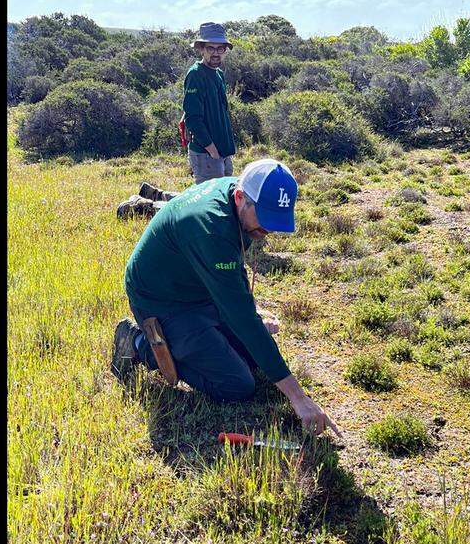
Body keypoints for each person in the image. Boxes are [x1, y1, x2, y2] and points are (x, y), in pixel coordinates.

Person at [111, 159, 343, 438]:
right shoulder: (211, 227)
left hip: (197, 284)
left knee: (254, 361)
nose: (268, 230)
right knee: (237, 385)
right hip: (161, 298)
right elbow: (242, 317)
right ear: (240, 197)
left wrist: (250, 312)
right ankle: (137, 342)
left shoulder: (235, 197)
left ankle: (194, 334)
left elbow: (234, 274)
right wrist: (298, 397)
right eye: (265, 217)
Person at [182, 22, 237, 184]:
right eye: (210, 48)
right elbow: (193, 119)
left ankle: (157, 196)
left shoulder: (218, 73)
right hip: (207, 153)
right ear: (201, 49)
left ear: (225, 51)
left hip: (223, 151)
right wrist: (212, 150)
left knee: (226, 197)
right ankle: (147, 205)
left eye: (220, 49)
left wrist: (223, 151)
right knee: (209, 204)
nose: (215, 53)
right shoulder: (195, 75)